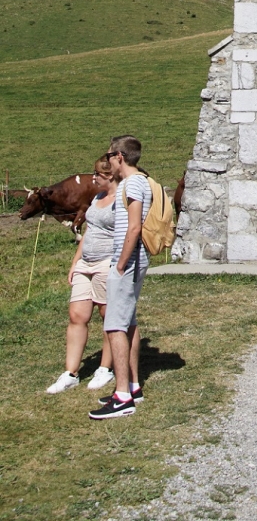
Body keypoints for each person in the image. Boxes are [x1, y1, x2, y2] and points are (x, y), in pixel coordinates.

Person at [88, 136, 151, 420]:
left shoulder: (133, 183)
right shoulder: (135, 182)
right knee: (128, 321)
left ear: (119, 157)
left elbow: (134, 226)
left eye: (109, 155)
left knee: (114, 325)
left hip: (127, 262)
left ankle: (123, 395)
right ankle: (133, 386)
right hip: (130, 261)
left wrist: (121, 265)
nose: (108, 161)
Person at [46, 157, 118, 394]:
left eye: (97, 174)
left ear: (110, 176)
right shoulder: (97, 198)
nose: (93, 177)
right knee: (77, 314)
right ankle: (71, 373)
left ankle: (105, 368)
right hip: (85, 263)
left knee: (107, 315)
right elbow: (89, 232)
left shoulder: (122, 201)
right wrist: (76, 262)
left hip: (107, 263)